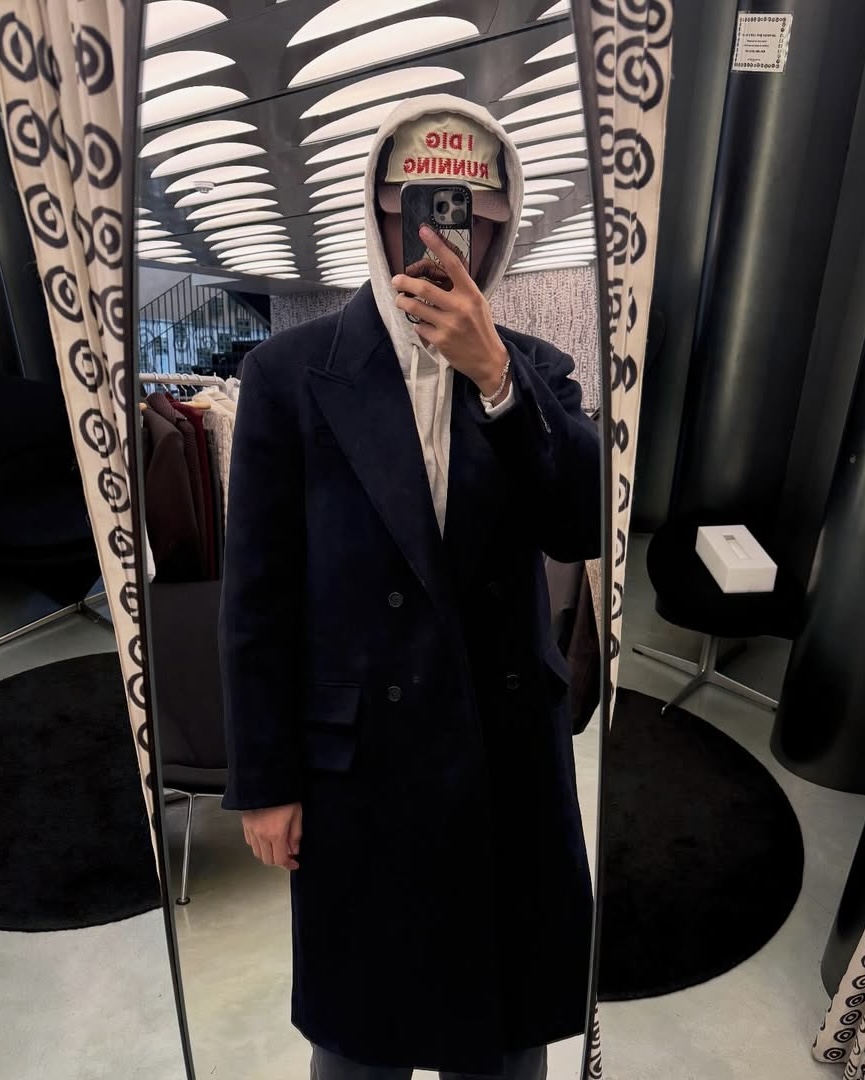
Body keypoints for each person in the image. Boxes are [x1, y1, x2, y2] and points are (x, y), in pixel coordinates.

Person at [219, 95, 601, 1080]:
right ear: (375, 211)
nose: (443, 235)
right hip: (359, 767)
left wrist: (496, 377)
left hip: (505, 759)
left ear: (504, 227)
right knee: (361, 1045)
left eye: (472, 214)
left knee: (503, 1046)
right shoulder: (288, 373)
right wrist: (264, 781)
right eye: (419, 208)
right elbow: (257, 595)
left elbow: (579, 524)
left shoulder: (539, 372)